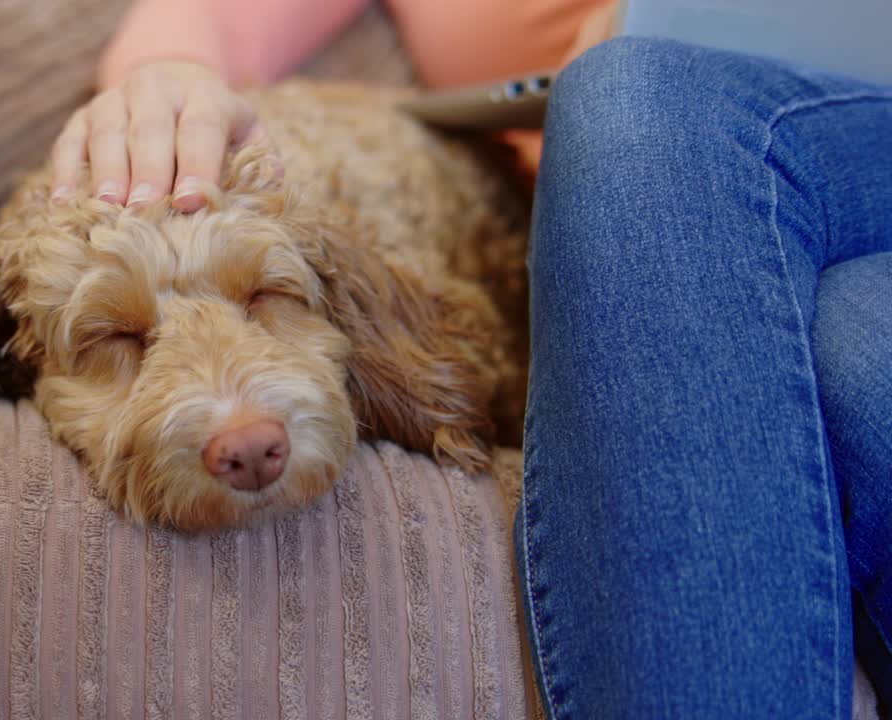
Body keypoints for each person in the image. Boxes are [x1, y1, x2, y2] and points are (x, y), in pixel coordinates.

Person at [57, 1, 892, 716]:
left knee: (631, 88)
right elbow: (210, 17)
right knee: (856, 355)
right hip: (708, 258)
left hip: (795, 139)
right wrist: (167, 79)